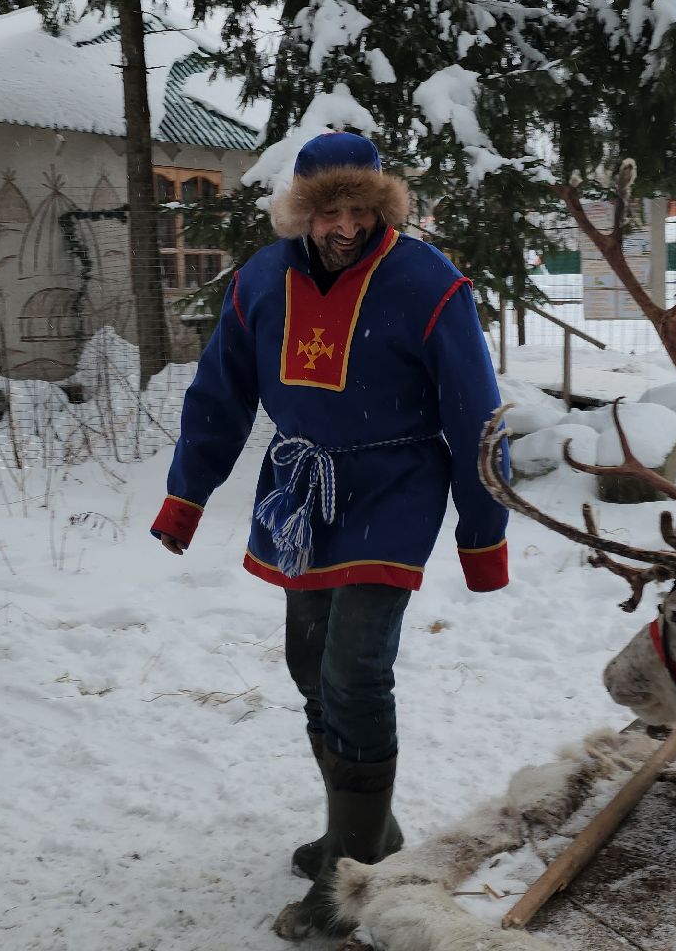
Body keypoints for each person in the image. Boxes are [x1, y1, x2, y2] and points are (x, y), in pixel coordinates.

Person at [148, 131, 510, 941]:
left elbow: (476, 416)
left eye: (360, 210)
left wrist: (483, 538)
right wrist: (185, 497)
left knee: (354, 673)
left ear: (382, 207)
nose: (345, 228)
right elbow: (220, 393)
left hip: (396, 487)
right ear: (300, 212)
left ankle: (346, 881)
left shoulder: (429, 282)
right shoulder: (262, 279)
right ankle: (364, 835)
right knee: (309, 664)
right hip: (302, 492)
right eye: (327, 213)